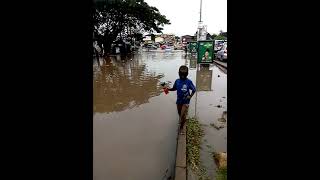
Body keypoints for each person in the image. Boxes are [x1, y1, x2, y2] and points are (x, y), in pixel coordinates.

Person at [165, 65, 196, 134]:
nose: (182, 77)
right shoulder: (177, 81)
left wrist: (190, 96)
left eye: (184, 75)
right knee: (179, 114)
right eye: (181, 75)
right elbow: (174, 88)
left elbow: (194, 89)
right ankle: (183, 120)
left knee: (182, 115)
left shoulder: (189, 82)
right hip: (179, 101)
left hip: (186, 101)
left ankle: (181, 128)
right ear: (178, 73)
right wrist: (168, 89)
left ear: (187, 74)